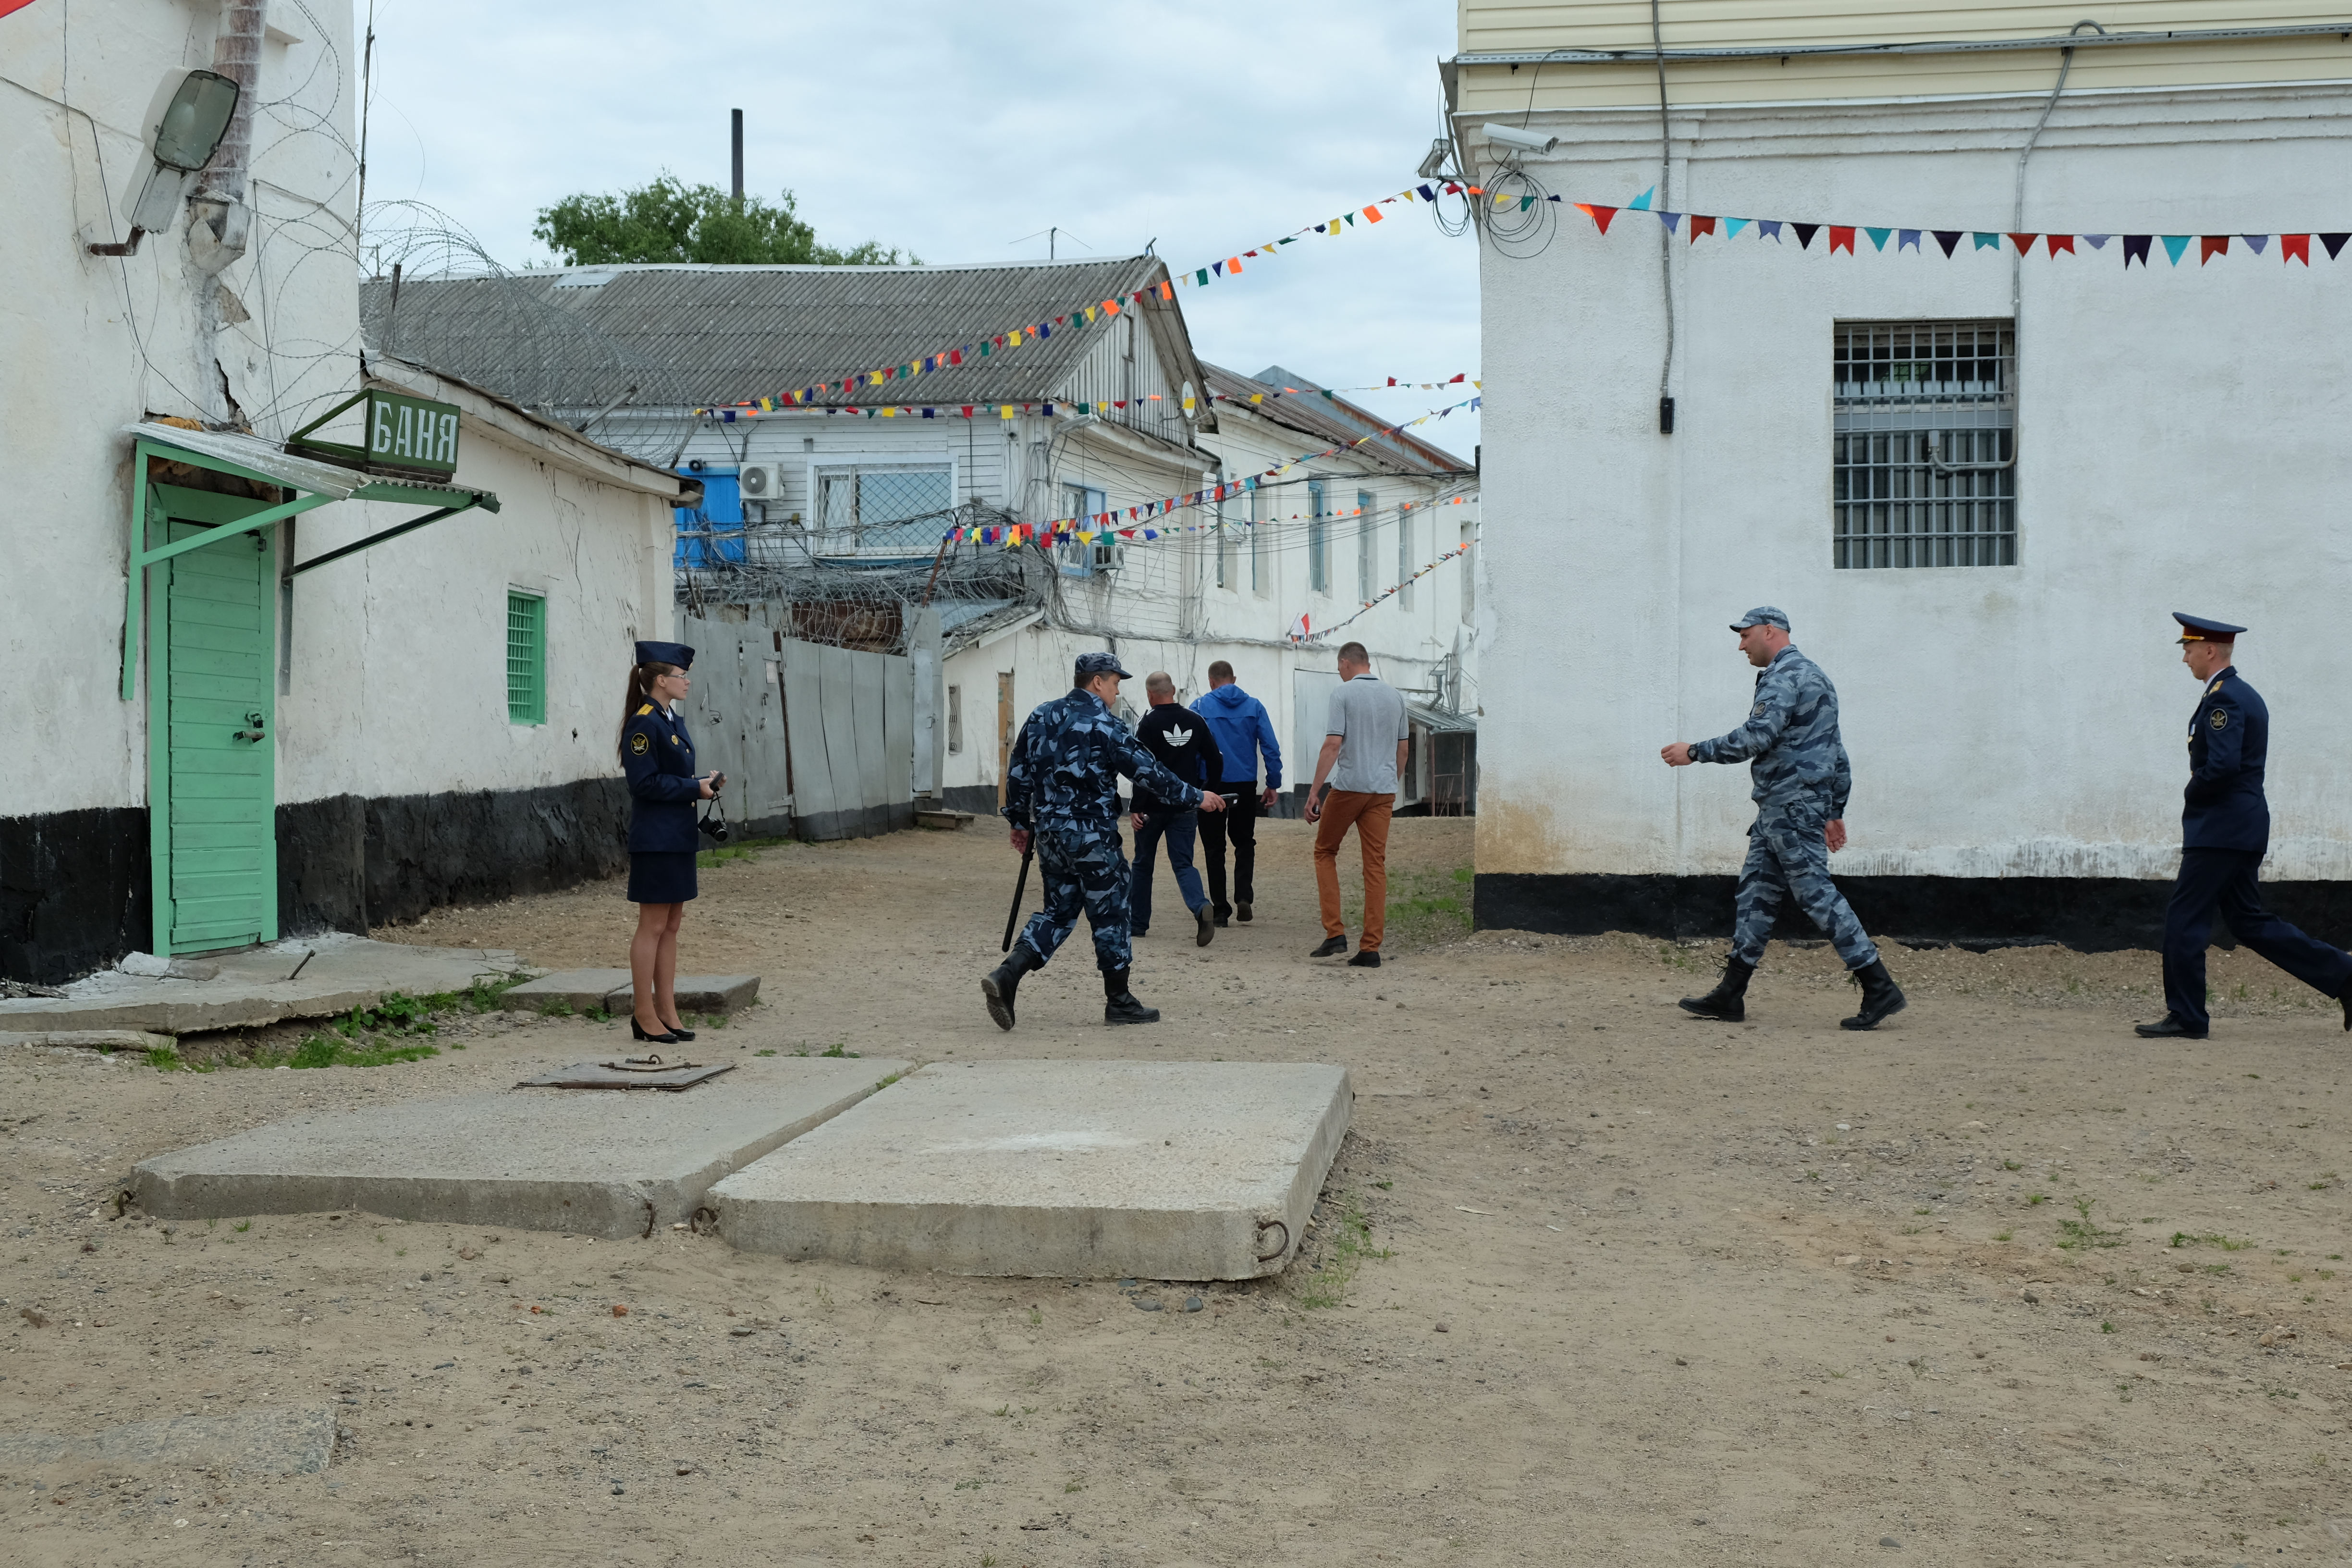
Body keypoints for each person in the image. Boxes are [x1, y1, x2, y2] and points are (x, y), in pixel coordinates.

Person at [1661, 607, 1905, 1029]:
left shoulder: (1783, 677)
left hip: (1790, 808)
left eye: (1745, 636)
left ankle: (1879, 985)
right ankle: (1731, 994)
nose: (1741, 646)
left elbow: (1757, 736)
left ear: (1769, 632)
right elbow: (1837, 751)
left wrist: (1695, 751)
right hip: (1784, 809)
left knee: (1816, 895)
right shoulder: (1817, 677)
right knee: (1755, 895)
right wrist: (1834, 810)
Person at [2135, 613, 2352, 1039]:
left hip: (2221, 828)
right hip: (2239, 827)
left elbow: (2223, 766)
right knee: (2249, 921)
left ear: (2210, 650)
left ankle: (2188, 1018)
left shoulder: (2226, 698)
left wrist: (2192, 793)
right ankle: (2345, 975)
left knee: (2185, 918)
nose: (2185, 659)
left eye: (2189, 649)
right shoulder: (2238, 694)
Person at [982, 652, 1226, 1029]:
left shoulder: (1040, 716)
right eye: (1115, 683)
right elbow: (1148, 772)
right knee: (1111, 911)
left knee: (1058, 912)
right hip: (1092, 835)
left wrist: (1019, 821)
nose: (1116, 691)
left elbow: (1018, 772)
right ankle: (1120, 1000)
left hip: (1050, 835)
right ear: (1097, 682)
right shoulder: (1106, 724)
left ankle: (1008, 974)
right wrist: (1197, 796)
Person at [618, 640, 719, 1045]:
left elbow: (673, 777)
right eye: (681, 676)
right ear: (661, 680)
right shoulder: (644, 722)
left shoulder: (671, 719)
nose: (687, 682)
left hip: (677, 835)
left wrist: (701, 786)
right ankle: (644, 1013)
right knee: (653, 925)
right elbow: (642, 783)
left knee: (672, 926)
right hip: (656, 838)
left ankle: (668, 1010)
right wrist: (694, 788)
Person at [1304, 641, 1409, 968]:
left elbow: (1333, 745)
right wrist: (1391, 781)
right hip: (1383, 792)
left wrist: (1314, 792)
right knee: (1375, 865)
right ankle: (1370, 948)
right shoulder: (1396, 697)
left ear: (1346, 662)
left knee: (1325, 851)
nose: (1339, 672)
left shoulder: (1343, 694)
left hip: (1349, 787)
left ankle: (1335, 931)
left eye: (1339, 666)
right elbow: (1402, 750)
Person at [1130, 672, 1225, 948]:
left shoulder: (1147, 723)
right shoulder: (1195, 720)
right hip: (1186, 805)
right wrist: (1206, 790)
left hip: (1151, 808)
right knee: (1183, 863)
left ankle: (1138, 924)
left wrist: (1136, 806)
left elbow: (1141, 768)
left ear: (1150, 695)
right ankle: (1200, 906)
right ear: (1174, 690)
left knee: (1142, 864)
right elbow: (1215, 759)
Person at [1190, 659, 1283, 925]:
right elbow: (1270, 747)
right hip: (1244, 784)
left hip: (1211, 785)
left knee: (1214, 847)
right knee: (1244, 842)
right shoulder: (1254, 706)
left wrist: (1195, 785)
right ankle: (1243, 896)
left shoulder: (1199, 707)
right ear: (1234, 679)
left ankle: (1220, 909)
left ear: (1211, 681)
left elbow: (1192, 750)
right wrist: (1273, 782)